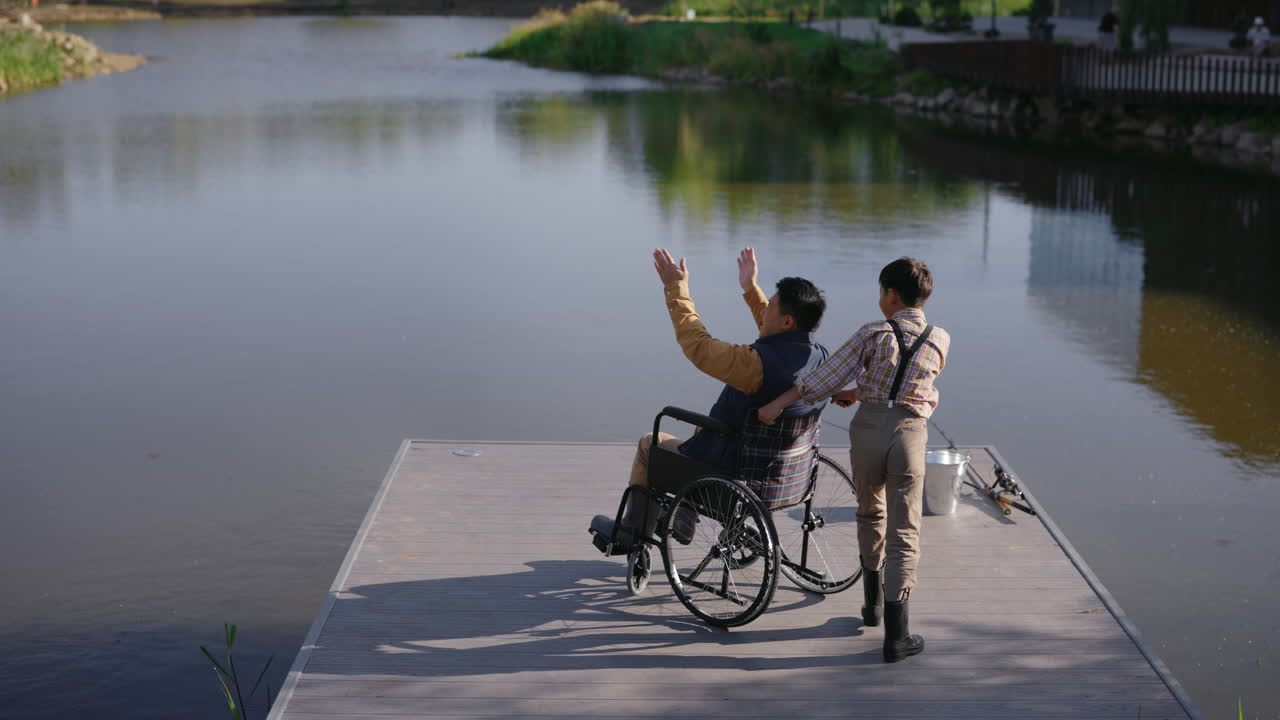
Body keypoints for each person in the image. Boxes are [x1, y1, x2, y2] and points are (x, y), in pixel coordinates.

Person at [758, 257, 950, 663]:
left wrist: (778, 404)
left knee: (870, 514)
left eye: (882, 292)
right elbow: (908, 383)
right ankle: (898, 636)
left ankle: (871, 608)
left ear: (891, 294)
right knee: (905, 533)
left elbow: (822, 379)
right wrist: (863, 390)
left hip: (868, 435)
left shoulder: (873, 333)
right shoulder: (940, 338)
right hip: (911, 436)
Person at [589, 248, 830, 550]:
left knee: (650, 443)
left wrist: (676, 290)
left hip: (731, 471)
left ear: (787, 321)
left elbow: (699, 347)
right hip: (785, 475)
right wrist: (750, 288)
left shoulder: (754, 365)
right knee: (704, 429)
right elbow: (777, 337)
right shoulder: (819, 359)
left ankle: (630, 534)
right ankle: (688, 512)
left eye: (772, 304)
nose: (765, 308)